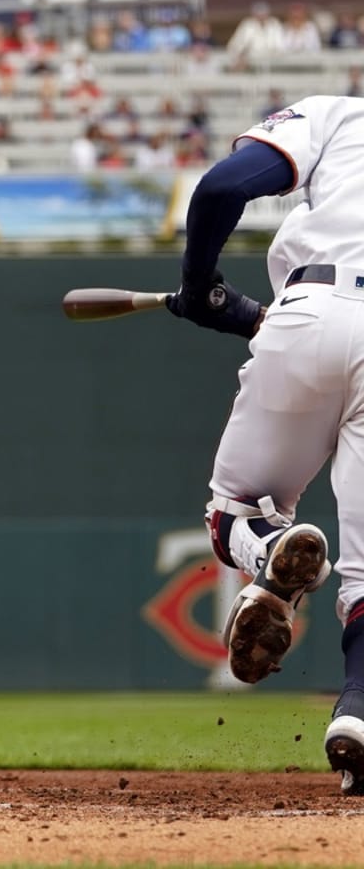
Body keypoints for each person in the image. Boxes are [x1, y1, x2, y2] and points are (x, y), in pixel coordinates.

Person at [165, 92, 364, 794]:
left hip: (311, 313)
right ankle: (357, 715)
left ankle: (268, 550)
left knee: (234, 511)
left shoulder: (341, 115)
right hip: (316, 316)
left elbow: (221, 188)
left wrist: (199, 288)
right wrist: (242, 314)